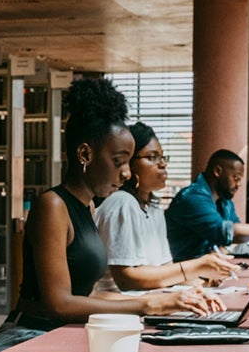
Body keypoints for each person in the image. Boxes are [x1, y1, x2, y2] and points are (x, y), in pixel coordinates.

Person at [0, 78, 221, 352]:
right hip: (29, 337)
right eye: (119, 161)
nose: (126, 173)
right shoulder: (53, 205)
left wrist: (170, 298)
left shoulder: (89, 208)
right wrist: (149, 305)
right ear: (85, 154)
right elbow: (59, 304)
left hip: (62, 333)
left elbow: (87, 296)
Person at [94, 123, 237, 292]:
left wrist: (200, 280)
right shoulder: (122, 203)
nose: (162, 164)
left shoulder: (153, 209)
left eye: (162, 157)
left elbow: (164, 268)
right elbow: (127, 279)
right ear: (130, 164)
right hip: (118, 309)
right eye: (152, 157)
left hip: (149, 302)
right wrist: (197, 266)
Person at [165, 148, 249, 260]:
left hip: (202, 269)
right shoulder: (193, 197)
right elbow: (225, 232)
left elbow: (237, 234)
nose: (239, 184)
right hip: (179, 271)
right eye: (235, 178)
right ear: (218, 171)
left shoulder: (224, 200)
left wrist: (222, 251)